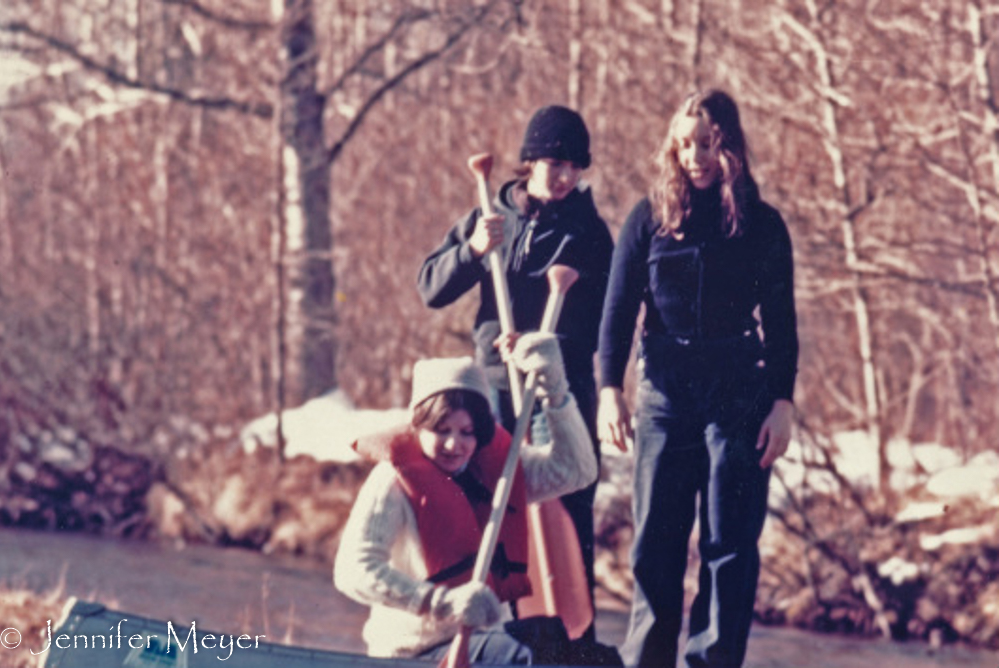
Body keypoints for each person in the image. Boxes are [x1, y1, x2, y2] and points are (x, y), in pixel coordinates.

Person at [597, 90, 798, 668]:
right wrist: (610, 389)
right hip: (664, 390)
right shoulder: (649, 217)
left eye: (707, 144)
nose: (696, 156)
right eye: (685, 144)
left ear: (729, 145)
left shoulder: (762, 225)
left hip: (738, 391)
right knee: (656, 541)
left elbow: (781, 322)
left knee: (728, 544)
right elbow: (618, 311)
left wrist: (782, 400)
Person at [417, 106, 614, 624]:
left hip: (555, 392)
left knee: (566, 508)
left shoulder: (591, 235)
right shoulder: (490, 215)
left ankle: (571, 641)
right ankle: (487, 629)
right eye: (556, 164)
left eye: (576, 166)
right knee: (486, 507)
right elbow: (431, 287)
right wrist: (474, 250)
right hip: (494, 389)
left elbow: (598, 328)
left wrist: (537, 345)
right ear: (529, 162)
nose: (567, 177)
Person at [334, 333, 599, 664]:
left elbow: (577, 471)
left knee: (588, 654)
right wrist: (439, 602)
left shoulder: (496, 471)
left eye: (466, 432)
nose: (454, 444)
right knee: (529, 653)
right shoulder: (392, 481)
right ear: (417, 427)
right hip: (415, 654)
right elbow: (352, 572)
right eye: (441, 430)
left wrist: (556, 392)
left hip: (483, 641)